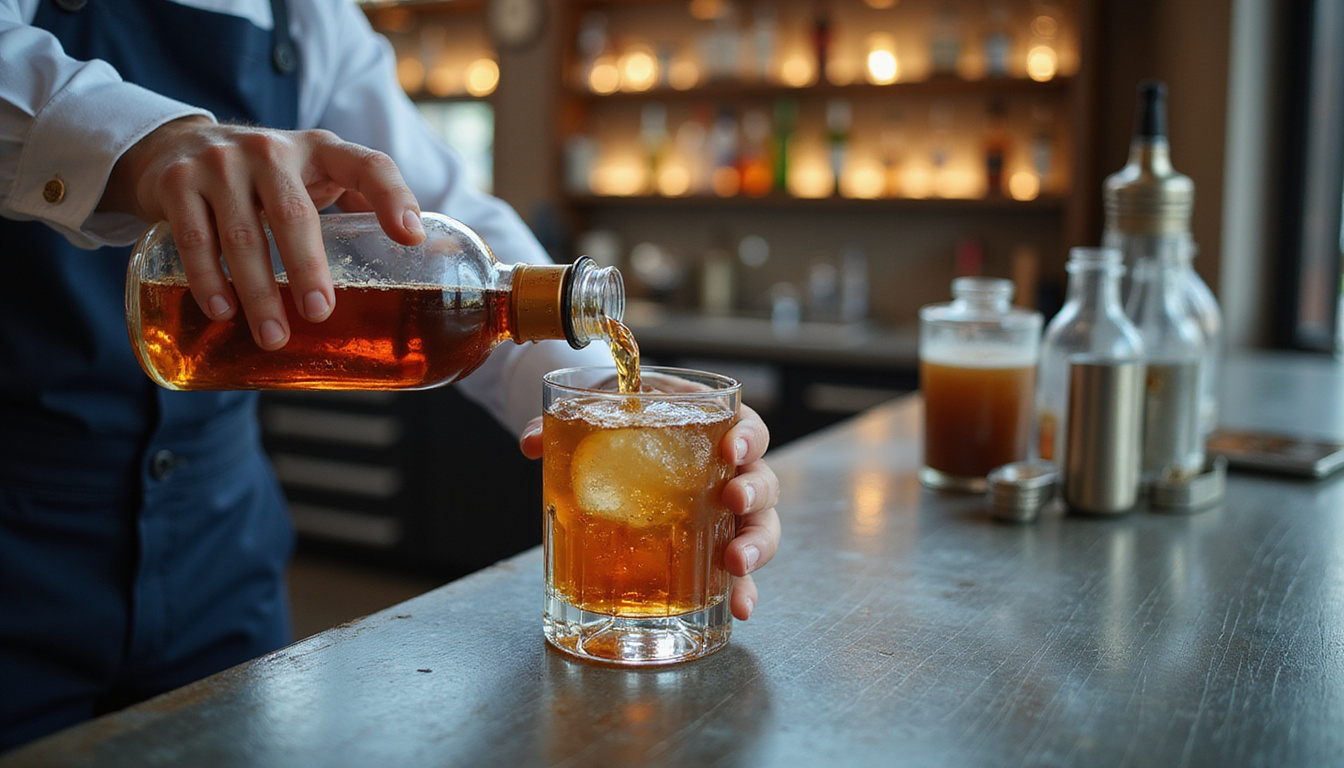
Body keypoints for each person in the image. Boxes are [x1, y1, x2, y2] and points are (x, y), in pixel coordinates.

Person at [0, 0, 782, 751]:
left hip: (218, 549)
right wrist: (142, 140)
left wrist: (621, 410)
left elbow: (434, 210)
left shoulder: (307, 14)